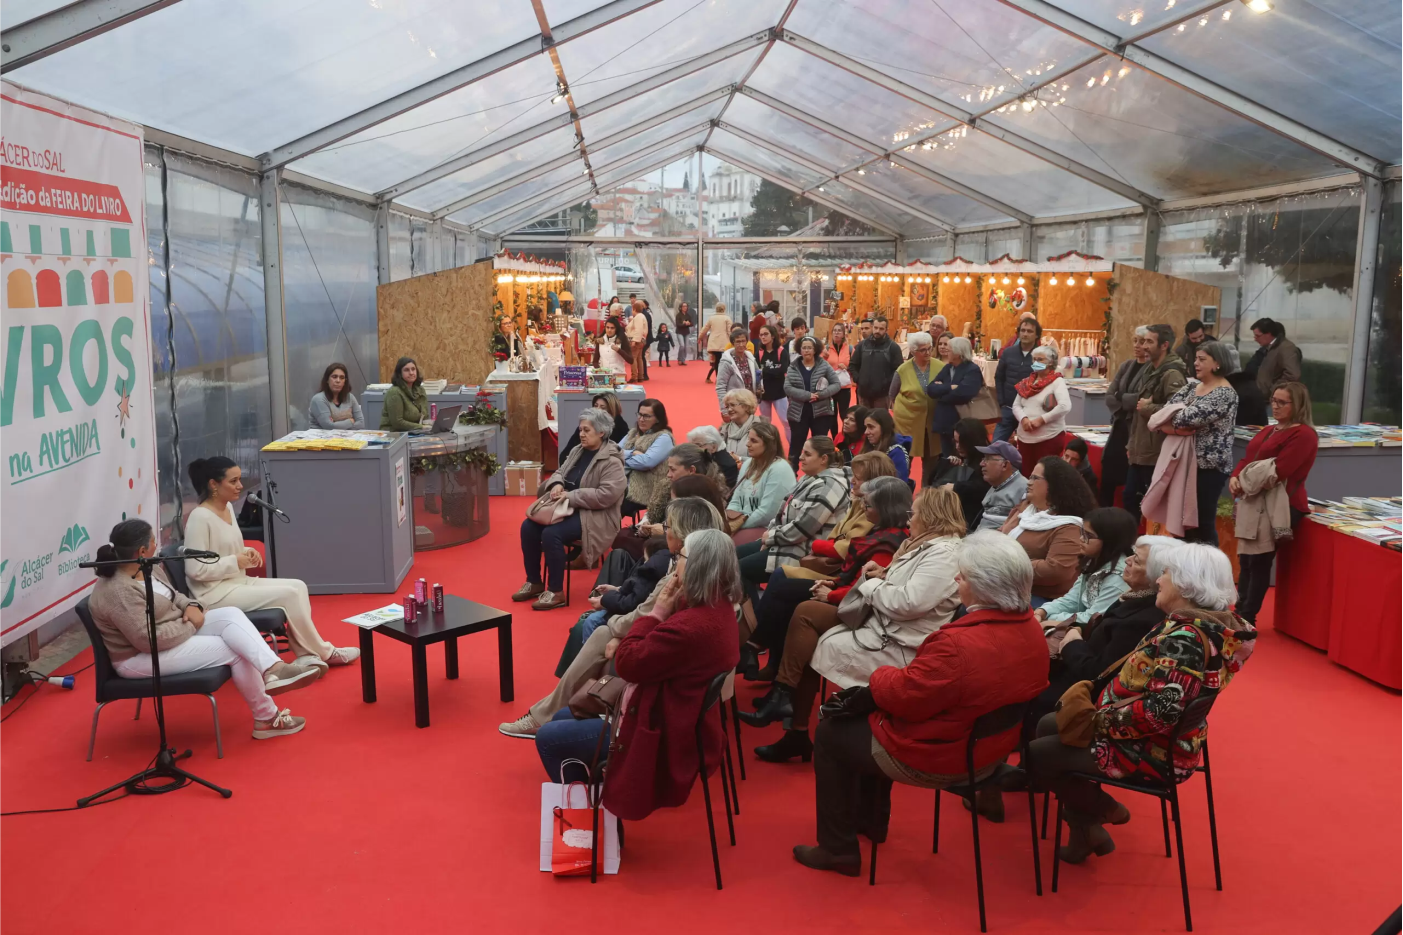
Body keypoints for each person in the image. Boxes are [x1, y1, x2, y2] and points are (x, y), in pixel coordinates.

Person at [792, 531, 1049, 876]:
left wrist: (879, 676)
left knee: (830, 732)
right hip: (989, 748)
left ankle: (837, 849)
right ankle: (871, 822)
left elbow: (906, 698)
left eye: (964, 575)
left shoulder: (957, 642)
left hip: (943, 755)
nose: (956, 579)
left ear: (984, 586)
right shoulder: (1032, 629)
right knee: (868, 714)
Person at [1026, 544, 1255, 864]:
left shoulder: (1185, 639)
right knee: (1050, 723)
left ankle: (1100, 809)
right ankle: (1087, 830)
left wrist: (1097, 721)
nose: (1159, 581)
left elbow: (1158, 713)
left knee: (1039, 754)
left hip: (1153, 750)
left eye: (1166, 574)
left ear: (1187, 584)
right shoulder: (1206, 627)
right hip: (1162, 739)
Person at [532, 528, 742, 823]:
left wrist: (655, 615)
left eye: (680, 556)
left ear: (697, 567)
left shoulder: (691, 627)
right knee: (562, 718)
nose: (675, 560)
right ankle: (596, 796)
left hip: (660, 729)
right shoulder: (717, 607)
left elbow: (629, 664)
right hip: (680, 717)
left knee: (549, 737)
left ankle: (593, 820)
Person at [750, 483, 965, 763]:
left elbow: (908, 604)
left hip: (897, 638)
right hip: (880, 620)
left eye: (915, 512)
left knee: (804, 624)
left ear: (933, 517)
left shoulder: (943, 555)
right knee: (803, 611)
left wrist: (873, 582)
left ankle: (787, 708)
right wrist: (876, 576)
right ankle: (786, 705)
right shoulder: (919, 544)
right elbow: (894, 583)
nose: (909, 517)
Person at [501, 497, 724, 738]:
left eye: (668, 527)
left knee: (598, 627)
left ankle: (563, 708)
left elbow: (648, 614)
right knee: (599, 627)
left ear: (683, 534)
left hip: (665, 664)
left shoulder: (682, 572)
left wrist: (616, 628)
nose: (665, 532)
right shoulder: (708, 566)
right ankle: (561, 704)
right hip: (672, 649)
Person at [88, 519, 319, 740]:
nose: (156, 545)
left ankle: (274, 668)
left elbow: (174, 595)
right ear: (141, 551)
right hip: (139, 659)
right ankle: (267, 718)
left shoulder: (146, 567)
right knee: (235, 650)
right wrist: (191, 622)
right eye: (152, 541)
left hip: (173, 631)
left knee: (231, 614)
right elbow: (148, 641)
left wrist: (190, 605)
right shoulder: (118, 591)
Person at [183, 458, 359, 671]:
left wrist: (247, 553)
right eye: (234, 481)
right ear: (213, 484)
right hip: (213, 594)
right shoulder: (199, 518)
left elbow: (227, 551)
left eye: (240, 479)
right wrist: (234, 561)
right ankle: (323, 652)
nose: (240, 486)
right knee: (289, 594)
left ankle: (306, 655)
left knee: (298, 586)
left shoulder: (228, 507)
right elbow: (194, 570)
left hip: (237, 582)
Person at [740, 453, 900, 683]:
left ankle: (756, 647)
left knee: (780, 585)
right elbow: (836, 538)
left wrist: (816, 545)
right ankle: (764, 655)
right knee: (776, 580)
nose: (852, 481)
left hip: (839, 577)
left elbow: (842, 548)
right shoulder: (857, 501)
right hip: (831, 569)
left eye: (858, 478)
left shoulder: (870, 510)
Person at [1031, 534, 1179, 723]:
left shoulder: (1140, 620)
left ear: (1157, 577)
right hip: (1080, 666)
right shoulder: (1133, 597)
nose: (1128, 560)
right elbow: (1071, 601)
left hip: (1087, 696)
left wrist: (1072, 642)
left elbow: (1098, 675)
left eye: (1137, 560)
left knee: (1028, 688)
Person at [514, 408, 627, 610]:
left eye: (587, 430)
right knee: (527, 527)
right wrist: (556, 484)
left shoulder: (612, 461)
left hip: (594, 514)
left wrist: (572, 496)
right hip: (565, 507)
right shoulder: (577, 451)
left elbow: (607, 496)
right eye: (580, 429)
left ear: (601, 432)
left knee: (551, 534)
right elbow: (559, 472)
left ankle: (556, 591)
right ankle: (534, 581)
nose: (581, 434)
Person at [1230, 381, 1317, 623]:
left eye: (1282, 402)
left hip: (1280, 504)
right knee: (1246, 558)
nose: (1274, 406)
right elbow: (1248, 459)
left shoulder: (1304, 434)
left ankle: (1247, 616)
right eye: (1273, 401)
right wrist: (1235, 477)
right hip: (1254, 501)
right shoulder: (1270, 430)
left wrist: (1243, 480)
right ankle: (1240, 609)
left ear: (1297, 404)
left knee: (1258, 560)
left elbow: (1278, 471)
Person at [735, 436, 850, 605]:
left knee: (737, 569)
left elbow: (803, 528)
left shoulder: (827, 485)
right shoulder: (808, 477)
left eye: (807, 454)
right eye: (802, 452)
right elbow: (781, 512)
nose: (800, 457)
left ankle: (754, 621)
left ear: (823, 459)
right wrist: (769, 536)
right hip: (784, 540)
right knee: (731, 557)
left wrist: (770, 537)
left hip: (801, 551)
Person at [1160, 341, 1240, 545]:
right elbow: (1163, 414)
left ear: (1218, 364)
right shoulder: (1192, 387)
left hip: (1209, 467)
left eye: (1202, 359)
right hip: (1184, 464)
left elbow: (1183, 418)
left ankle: (1207, 570)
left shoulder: (1224, 394)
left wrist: (1173, 423)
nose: (1195, 363)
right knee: (1181, 524)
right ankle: (1184, 570)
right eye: (1195, 358)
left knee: (1202, 524)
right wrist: (1172, 422)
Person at [1000, 455, 1096, 605]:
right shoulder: (1026, 510)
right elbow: (1001, 535)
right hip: (1009, 586)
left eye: (1035, 478)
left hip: (1042, 598)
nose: (1029, 482)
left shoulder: (1069, 526)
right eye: (1030, 477)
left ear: (1053, 484)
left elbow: (1056, 570)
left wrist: (1006, 563)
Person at [613, 442, 727, 560]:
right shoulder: (666, 487)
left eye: (673, 469)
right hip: (662, 545)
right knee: (621, 547)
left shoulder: (708, 495)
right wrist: (645, 524)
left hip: (686, 555)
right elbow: (652, 513)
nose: (668, 475)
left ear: (691, 470)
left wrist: (664, 531)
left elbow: (699, 538)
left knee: (625, 554)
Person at [1033, 507, 1137, 633]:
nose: (1081, 539)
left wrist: (1051, 619)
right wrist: (1042, 611)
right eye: (1082, 532)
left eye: (1089, 535)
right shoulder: (1094, 560)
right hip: (1076, 626)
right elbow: (1072, 599)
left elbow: (1094, 619)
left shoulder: (1118, 576)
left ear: (1110, 540)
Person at [1124, 324, 1187, 521]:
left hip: (1156, 454)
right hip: (1141, 450)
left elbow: (1179, 413)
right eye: (1144, 341)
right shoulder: (1151, 369)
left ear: (1164, 345)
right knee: (1130, 499)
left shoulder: (1172, 374)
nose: (1144, 346)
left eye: (1150, 342)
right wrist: (1132, 444)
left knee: (1148, 508)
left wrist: (1148, 408)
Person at [1099, 342, 1148, 506]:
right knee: (1108, 472)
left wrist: (1121, 396)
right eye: (1134, 340)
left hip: (1136, 429)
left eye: (1142, 342)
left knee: (1130, 482)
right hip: (1120, 425)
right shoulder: (1126, 365)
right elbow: (1109, 395)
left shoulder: (1151, 370)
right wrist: (1124, 402)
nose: (1137, 345)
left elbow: (1140, 399)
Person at [726, 421, 797, 534]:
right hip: (742, 524)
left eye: (753, 441)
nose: (747, 444)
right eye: (748, 439)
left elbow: (767, 513)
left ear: (768, 445)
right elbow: (735, 500)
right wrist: (731, 522)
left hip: (767, 529)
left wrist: (738, 526)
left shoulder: (779, 468)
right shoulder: (748, 464)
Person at [784, 336, 842, 470]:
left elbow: (836, 384)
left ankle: (821, 473)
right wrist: (807, 395)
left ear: (815, 349)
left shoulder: (824, 365)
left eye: (809, 347)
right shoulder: (793, 366)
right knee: (796, 445)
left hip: (821, 413)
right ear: (800, 349)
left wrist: (821, 395)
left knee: (820, 446)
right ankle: (791, 474)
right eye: (804, 347)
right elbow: (787, 387)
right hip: (798, 413)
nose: (806, 350)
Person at [889, 331, 939, 486]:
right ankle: (902, 489)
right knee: (905, 459)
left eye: (929, 348)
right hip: (907, 422)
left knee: (932, 461)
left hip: (932, 422)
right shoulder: (903, 369)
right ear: (913, 351)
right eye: (923, 350)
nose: (927, 352)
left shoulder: (940, 366)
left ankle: (926, 493)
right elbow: (892, 394)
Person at [924, 335, 985, 461]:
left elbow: (963, 394)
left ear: (959, 352)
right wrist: (951, 387)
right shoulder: (948, 368)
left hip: (962, 422)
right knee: (948, 459)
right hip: (944, 423)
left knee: (964, 459)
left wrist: (941, 393)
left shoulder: (972, 370)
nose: (946, 351)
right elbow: (930, 389)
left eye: (950, 349)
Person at [1011, 344, 1070, 473]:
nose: (1036, 362)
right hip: (1025, 438)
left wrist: (1041, 420)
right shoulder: (1027, 382)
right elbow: (1016, 405)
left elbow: (1064, 406)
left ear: (1050, 363)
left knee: (1045, 477)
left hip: (1048, 438)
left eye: (1040, 359)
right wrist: (1024, 419)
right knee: (1026, 475)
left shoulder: (1057, 381)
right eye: (1034, 359)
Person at [618, 399, 673, 518]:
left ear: (658, 418)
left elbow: (646, 462)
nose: (641, 419)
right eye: (640, 414)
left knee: (610, 505)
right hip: (621, 483)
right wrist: (633, 453)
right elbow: (613, 452)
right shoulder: (633, 433)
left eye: (647, 416)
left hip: (646, 490)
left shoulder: (663, 437)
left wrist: (623, 457)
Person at [933, 417, 991, 531]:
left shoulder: (987, 460)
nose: (957, 446)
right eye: (956, 442)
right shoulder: (960, 457)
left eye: (961, 442)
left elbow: (983, 487)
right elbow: (933, 482)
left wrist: (956, 487)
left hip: (970, 521)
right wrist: (947, 464)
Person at [993, 317, 1041, 442]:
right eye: (1023, 330)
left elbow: (1043, 380)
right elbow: (999, 377)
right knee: (995, 446)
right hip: (1007, 408)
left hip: (1029, 411)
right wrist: (1001, 402)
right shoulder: (1008, 353)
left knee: (1026, 449)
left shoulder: (1041, 356)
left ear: (1037, 335)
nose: (1025, 334)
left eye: (1030, 331)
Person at [850, 316, 903, 410]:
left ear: (886, 330)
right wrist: (858, 379)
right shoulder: (862, 345)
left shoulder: (893, 347)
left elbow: (898, 370)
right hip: (863, 393)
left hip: (882, 395)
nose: (877, 331)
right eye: (876, 328)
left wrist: (886, 384)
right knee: (863, 421)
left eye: (881, 328)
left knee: (879, 422)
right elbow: (853, 365)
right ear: (873, 327)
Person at [975, 440, 1027, 531]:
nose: (981, 464)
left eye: (987, 459)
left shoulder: (1025, 489)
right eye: (983, 459)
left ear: (1005, 465)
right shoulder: (996, 483)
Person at [1244, 317, 1302, 398]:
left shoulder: (1286, 348)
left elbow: (1292, 375)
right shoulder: (1270, 348)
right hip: (1265, 398)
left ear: (1268, 334)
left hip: (1274, 399)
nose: (1255, 339)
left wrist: (1272, 391)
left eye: (1258, 336)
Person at [561, 393, 629, 459]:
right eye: (596, 406)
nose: (597, 409)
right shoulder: (586, 425)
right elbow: (564, 455)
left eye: (602, 407)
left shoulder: (621, 429)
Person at [755, 323, 792, 440]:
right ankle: (767, 449)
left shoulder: (782, 352)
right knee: (765, 424)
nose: (763, 337)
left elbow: (783, 370)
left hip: (780, 393)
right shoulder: (759, 353)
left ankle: (793, 449)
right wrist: (772, 371)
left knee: (786, 421)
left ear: (773, 336)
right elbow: (756, 372)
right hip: (763, 393)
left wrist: (765, 371)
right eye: (761, 335)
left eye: (766, 334)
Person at [715, 328, 760, 416]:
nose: (741, 344)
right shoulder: (727, 362)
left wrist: (759, 388)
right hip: (734, 405)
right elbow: (720, 387)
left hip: (749, 403)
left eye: (743, 341)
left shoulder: (750, 357)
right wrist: (724, 410)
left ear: (747, 341)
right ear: (733, 343)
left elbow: (758, 373)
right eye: (738, 342)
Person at [862, 409, 912, 485]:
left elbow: (898, 486)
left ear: (884, 428)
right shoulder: (870, 446)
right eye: (865, 427)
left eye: (871, 427)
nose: (866, 432)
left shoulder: (897, 453)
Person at [309, 362, 364, 430]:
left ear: (345, 382)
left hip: (346, 438)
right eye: (334, 377)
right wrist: (350, 421)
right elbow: (329, 426)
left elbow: (361, 423)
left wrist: (336, 424)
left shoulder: (350, 397)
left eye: (342, 378)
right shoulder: (318, 399)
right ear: (327, 380)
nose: (338, 381)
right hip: (320, 439)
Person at [380, 356, 428, 431]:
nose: (411, 373)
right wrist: (421, 427)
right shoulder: (394, 392)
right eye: (406, 370)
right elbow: (397, 423)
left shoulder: (420, 390)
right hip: (394, 434)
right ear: (399, 373)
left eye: (413, 369)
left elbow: (425, 416)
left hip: (416, 433)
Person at [687, 425, 738, 491]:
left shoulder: (726, 465)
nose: (694, 450)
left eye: (698, 445)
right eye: (692, 446)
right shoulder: (702, 459)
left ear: (713, 447)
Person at [823, 321, 854, 422]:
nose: (836, 333)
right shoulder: (826, 349)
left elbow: (854, 366)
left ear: (844, 334)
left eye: (839, 331)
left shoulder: (850, 349)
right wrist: (824, 357)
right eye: (835, 331)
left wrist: (846, 368)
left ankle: (845, 436)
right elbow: (820, 366)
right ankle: (835, 437)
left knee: (844, 414)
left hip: (844, 388)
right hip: (831, 387)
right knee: (832, 415)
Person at [719, 388, 760, 461]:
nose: (729, 409)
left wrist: (740, 459)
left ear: (746, 406)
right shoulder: (723, 430)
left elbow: (767, 460)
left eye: (732, 405)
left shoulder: (762, 429)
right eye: (727, 406)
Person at [700, 303, 732, 383]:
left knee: (716, 362)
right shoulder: (727, 318)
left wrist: (700, 337)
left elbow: (705, 329)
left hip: (713, 342)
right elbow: (729, 331)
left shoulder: (711, 318)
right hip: (724, 343)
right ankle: (721, 378)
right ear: (724, 309)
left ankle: (718, 378)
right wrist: (733, 340)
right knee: (723, 361)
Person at [625, 302, 649, 382]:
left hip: (636, 340)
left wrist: (634, 340)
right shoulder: (641, 316)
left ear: (634, 309)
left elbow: (638, 330)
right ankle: (640, 376)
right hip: (641, 339)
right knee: (639, 358)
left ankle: (634, 376)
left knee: (634, 358)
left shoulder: (638, 317)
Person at [674, 301, 694, 365]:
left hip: (686, 332)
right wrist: (685, 324)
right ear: (680, 307)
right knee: (682, 346)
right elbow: (678, 324)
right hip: (679, 332)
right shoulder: (678, 315)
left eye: (686, 306)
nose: (685, 307)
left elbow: (692, 323)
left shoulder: (688, 315)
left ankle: (683, 359)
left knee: (686, 347)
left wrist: (689, 323)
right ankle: (679, 358)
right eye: (684, 306)